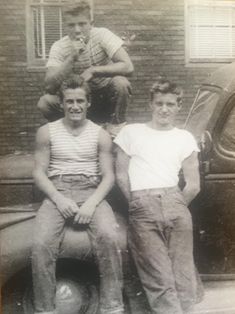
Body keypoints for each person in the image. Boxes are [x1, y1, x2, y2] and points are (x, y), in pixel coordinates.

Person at [31, 75, 124, 314]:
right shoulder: (46, 132)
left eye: (80, 101)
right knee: (41, 244)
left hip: (91, 190)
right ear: (61, 103)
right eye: (69, 101)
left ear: (88, 103)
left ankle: (112, 307)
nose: (75, 106)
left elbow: (109, 177)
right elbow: (39, 173)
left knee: (109, 237)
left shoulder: (99, 134)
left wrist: (91, 205)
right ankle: (45, 310)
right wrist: (59, 199)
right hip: (57, 190)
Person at [114, 78, 201, 314]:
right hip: (142, 204)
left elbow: (193, 185)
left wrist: (175, 204)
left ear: (178, 106)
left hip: (175, 202)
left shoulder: (184, 138)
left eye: (170, 104)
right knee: (159, 277)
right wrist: (137, 203)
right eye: (159, 103)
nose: (164, 109)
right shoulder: (131, 132)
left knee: (183, 275)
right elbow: (121, 175)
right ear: (151, 104)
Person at [37, 0, 134, 128]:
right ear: (65, 26)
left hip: (106, 98)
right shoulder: (59, 46)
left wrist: (93, 71)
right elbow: (49, 87)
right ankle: (69, 131)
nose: (77, 30)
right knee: (45, 102)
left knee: (121, 83)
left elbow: (128, 66)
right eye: (71, 25)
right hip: (78, 101)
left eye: (82, 24)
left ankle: (116, 129)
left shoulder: (102, 35)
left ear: (91, 24)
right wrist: (72, 58)